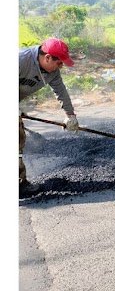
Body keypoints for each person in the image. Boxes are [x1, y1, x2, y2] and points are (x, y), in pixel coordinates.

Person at [19, 38, 80, 193]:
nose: (61, 67)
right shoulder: (20, 60)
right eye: (59, 63)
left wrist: (70, 115)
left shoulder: (52, 72)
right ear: (47, 57)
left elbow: (61, 91)